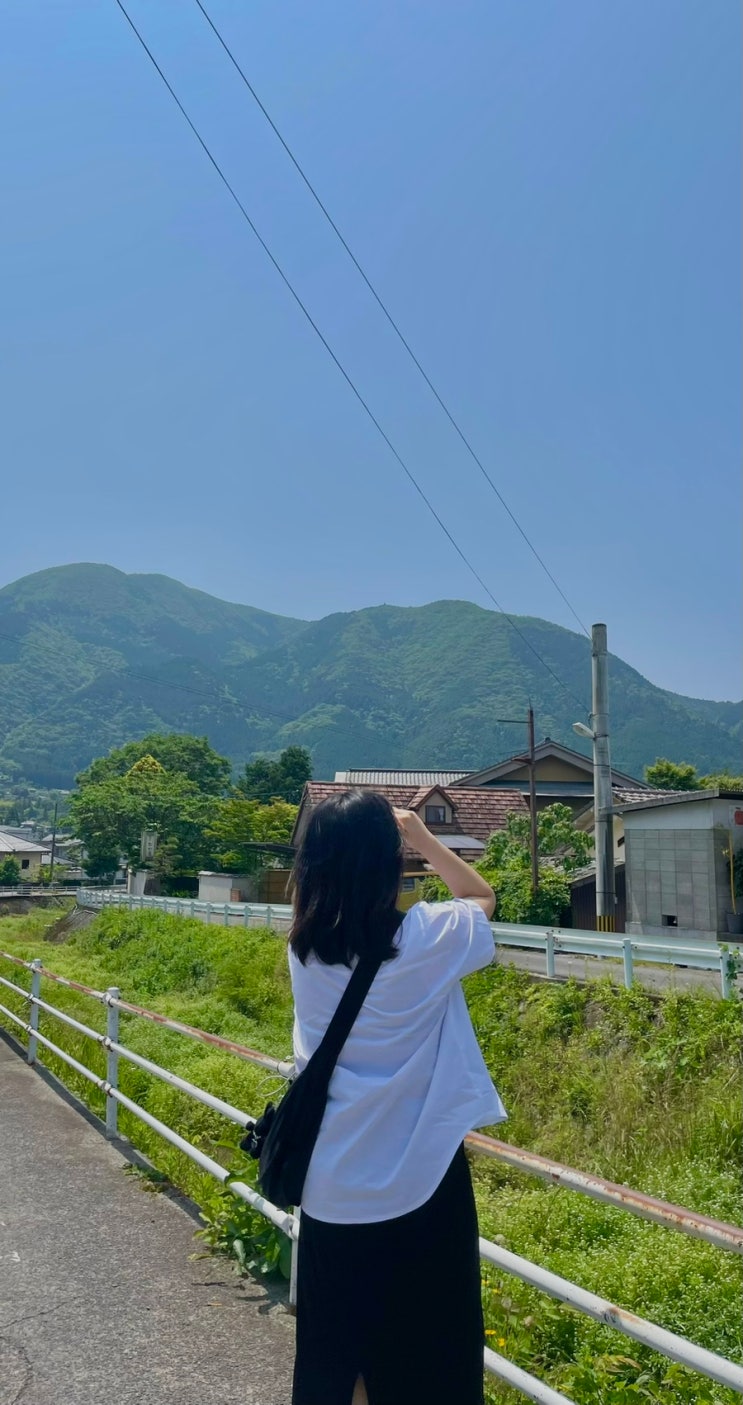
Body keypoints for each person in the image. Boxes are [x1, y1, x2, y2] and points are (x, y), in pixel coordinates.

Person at [288, 788, 506, 1405]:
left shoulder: (303, 950)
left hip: (332, 1184)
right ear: (389, 862)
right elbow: (481, 897)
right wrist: (421, 835)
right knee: (430, 1349)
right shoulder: (429, 937)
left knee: (338, 1351)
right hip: (423, 1178)